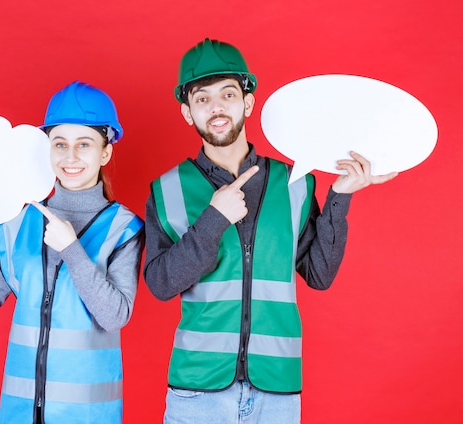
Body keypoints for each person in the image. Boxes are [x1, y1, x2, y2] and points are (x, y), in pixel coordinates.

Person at [143, 38, 397, 423]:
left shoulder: (294, 182)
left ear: (247, 102)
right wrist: (213, 219)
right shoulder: (167, 189)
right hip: (197, 392)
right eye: (202, 99)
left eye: (227, 94)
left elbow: (319, 275)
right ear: (186, 112)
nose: (216, 108)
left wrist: (340, 197)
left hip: (276, 391)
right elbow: (161, 283)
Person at [0, 81, 145, 424]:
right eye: (60, 144)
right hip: (20, 411)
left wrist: (71, 249)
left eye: (84, 144)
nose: (70, 157)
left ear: (105, 152)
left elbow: (115, 315)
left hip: (88, 415)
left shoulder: (124, 229)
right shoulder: (16, 222)